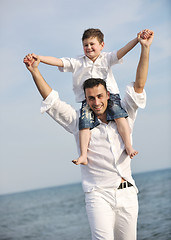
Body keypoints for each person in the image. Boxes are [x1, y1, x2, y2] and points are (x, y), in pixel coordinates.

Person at [23, 29, 154, 240]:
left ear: (108, 95)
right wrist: (35, 71)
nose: (96, 102)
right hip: (98, 195)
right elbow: (53, 103)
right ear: (85, 99)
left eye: (100, 96)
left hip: (128, 192)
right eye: (91, 98)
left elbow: (139, 85)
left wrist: (144, 49)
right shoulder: (79, 122)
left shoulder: (124, 115)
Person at [31, 28, 150, 165]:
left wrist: (137, 40)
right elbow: (58, 61)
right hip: (86, 101)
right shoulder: (77, 62)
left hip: (111, 97)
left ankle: (128, 146)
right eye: (85, 45)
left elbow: (123, 50)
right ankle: (83, 155)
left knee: (120, 117)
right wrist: (40, 58)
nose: (88, 48)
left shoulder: (107, 58)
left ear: (102, 45)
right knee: (84, 125)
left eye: (92, 44)